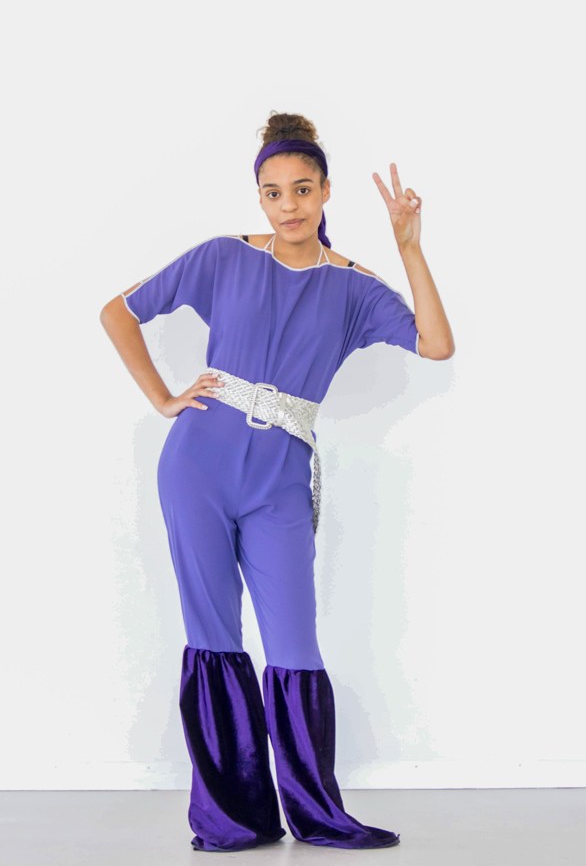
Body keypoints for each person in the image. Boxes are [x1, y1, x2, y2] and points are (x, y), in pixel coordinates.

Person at [100, 111, 455, 853]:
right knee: (214, 635)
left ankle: (316, 813)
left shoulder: (353, 287)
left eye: (302, 189)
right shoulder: (222, 257)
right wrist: (163, 399)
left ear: (325, 190)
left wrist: (408, 247)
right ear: (258, 196)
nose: (288, 205)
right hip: (196, 464)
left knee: (294, 641)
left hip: (282, 477)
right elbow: (118, 312)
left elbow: (434, 343)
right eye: (272, 192)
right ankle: (234, 818)